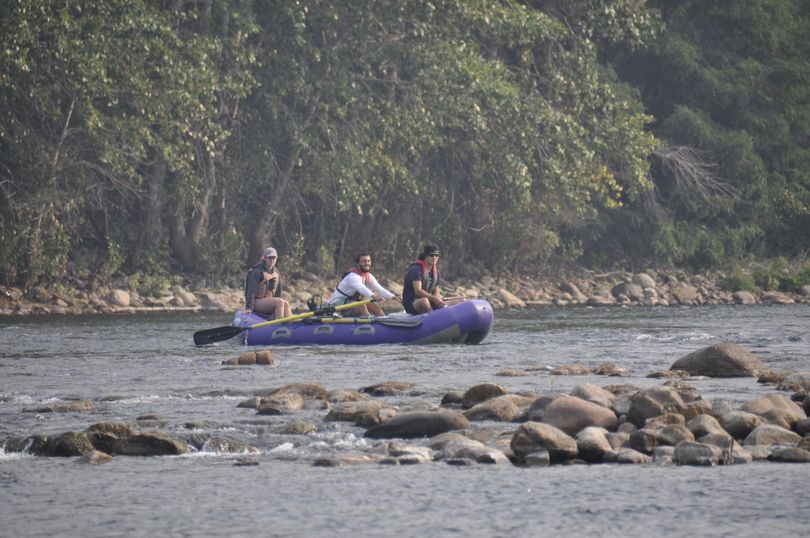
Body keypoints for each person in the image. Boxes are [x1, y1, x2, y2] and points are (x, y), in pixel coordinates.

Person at [327, 253, 400, 316]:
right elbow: (361, 288)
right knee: (361, 305)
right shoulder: (353, 276)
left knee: (375, 307)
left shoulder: (368, 276)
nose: (367, 263)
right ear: (358, 264)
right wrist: (373, 296)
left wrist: (394, 297)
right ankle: (368, 324)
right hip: (337, 303)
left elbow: (380, 289)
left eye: (368, 261)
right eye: (364, 261)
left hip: (351, 302)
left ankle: (382, 322)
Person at [244, 247, 292, 319]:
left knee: (286, 303)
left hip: (268, 302)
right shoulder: (257, 272)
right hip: (257, 303)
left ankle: (291, 326)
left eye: (273, 257)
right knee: (280, 302)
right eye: (269, 258)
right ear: (265, 258)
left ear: (276, 258)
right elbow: (251, 291)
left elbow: (278, 293)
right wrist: (249, 308)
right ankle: (279, 326)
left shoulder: (276, 273)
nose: (271, 260)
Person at [401, 243, 445, 314]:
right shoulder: (416, 270)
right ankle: (433, 318)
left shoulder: (436, 272)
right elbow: (418, 291)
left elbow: (436, 290)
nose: (434, 257)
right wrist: (434, 299)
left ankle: (439, 316)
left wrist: (438, 299)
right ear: (425, 256)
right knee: (424, 301)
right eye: (431, 255)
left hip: (427, 300)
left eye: (436, 255)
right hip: (411, 303)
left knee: (450, 300)